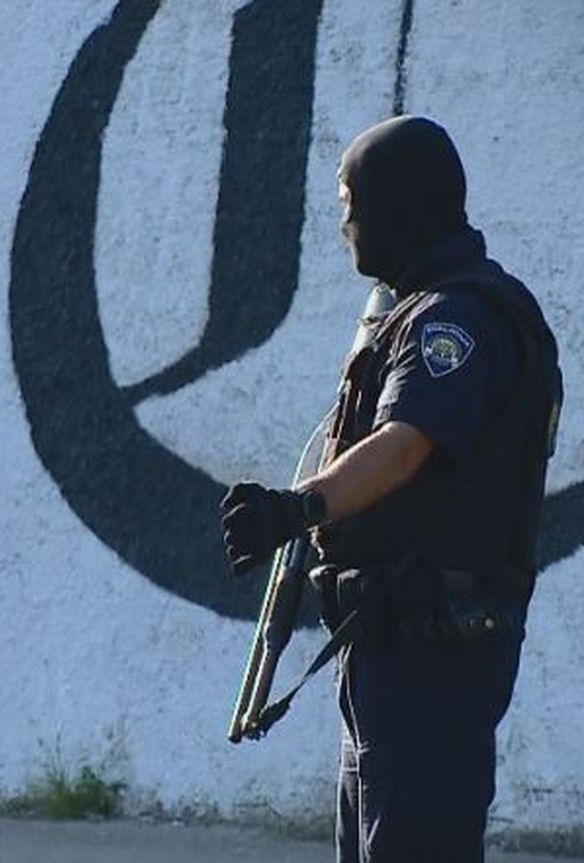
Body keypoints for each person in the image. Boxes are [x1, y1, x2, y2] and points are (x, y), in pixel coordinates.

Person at [219, 116, 562, 862]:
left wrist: (299, 508)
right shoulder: (419, 306)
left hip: (432, 658)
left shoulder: (454, 319)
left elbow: (407, 442)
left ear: (397, 203)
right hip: (391, 651)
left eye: (352, 201)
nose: (345, 222)